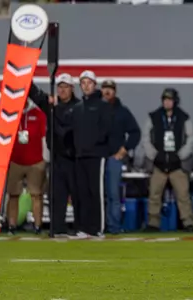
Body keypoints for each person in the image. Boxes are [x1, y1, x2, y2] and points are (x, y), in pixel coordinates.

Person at [28, 73, 80, 236]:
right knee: (56, 196)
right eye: (60, 87)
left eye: (66, 87)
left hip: (74, 158)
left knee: (77, 195)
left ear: (72, 88)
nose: (62, 90)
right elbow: (35, 95)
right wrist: (25, 77)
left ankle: (80, 228)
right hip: (57, 157)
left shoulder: (80, 107)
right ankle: (57, 228)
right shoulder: (52, 106)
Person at [142, 88, 193, 232]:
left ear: (175, 101)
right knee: (154, 194)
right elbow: (145, 138)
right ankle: (153, 223)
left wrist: (180, 155)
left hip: (177, 164)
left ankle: (188, 222)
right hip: (159, 163)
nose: (167, 102)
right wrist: (154, 155)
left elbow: (190, 138)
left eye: (170, 99)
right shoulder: (154, 116)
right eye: (164, 99)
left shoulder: (183, 117)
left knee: (183, 195)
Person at [69, 70, 112, 239]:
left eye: (89, 83)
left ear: (95, 85)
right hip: (80, 156)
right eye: (83, 83)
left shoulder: (103, 106)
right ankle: (84, 228)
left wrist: (94, 144)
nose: (86, 86)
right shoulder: (77, 108)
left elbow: (107, 129)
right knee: (82, 193)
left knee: (96, 192)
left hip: (96, 155)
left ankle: (97, 228)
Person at [101, 79, 141, 234]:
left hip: (113, 158)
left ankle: (114, 227)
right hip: (96, 158)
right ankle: (98, 226)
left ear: (115, 91)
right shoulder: (95, 109)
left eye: (110, 88)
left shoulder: (122, 112)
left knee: (113, 195)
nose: (107, 91)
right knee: (96, 196)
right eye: (105, 88)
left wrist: (123, 151)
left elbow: (135, 133)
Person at [6, 100, 46, 235]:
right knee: (13, 195)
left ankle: (38, 226)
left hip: (35, 161)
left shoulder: (38, 114)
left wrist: (45, 160)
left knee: (36, 195)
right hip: (15, 161)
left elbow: (44, 138)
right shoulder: (10, 115)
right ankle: (11, 226)